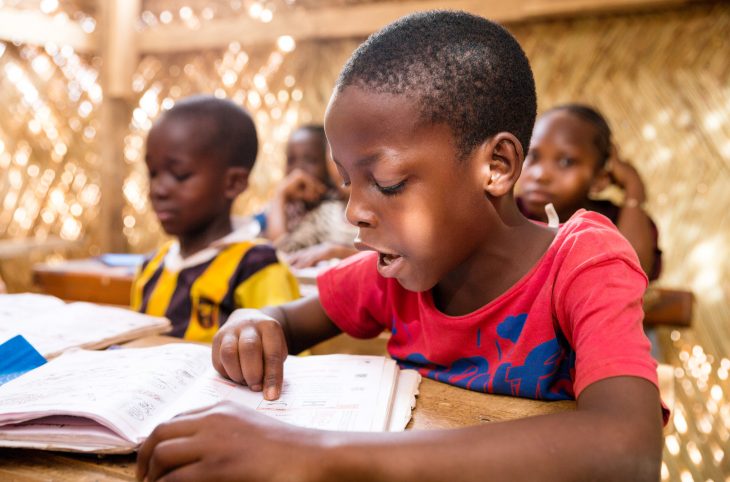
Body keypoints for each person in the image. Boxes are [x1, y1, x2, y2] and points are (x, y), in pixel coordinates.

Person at [137, 12, 665, 482]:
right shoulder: (395, 276)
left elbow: (627, 449)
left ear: (496, 166)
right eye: (348, 181)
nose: (355, 212)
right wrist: (251, 323)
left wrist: (319, 455)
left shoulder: (585, 263)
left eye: (387, 182)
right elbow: (287, 319)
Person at [130, 95, 299, 342]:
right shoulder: (151, 268)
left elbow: (285, 359)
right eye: (153, 173)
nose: (158, 189)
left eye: (179, 175)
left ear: (233, 183)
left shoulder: (256, 267)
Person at [516, 104, 662, 279]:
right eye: (533, 156)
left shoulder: (614, 222)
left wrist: (634, 191)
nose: (540, 175)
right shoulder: (501, 214)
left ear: (599, 179)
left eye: (566, 162)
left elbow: (630, 274)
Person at [260, 124, 357, 268]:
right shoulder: (325, 215)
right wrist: (280, 195)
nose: (298, 171)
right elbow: (281, 251)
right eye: (334, 154)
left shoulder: (390, 213)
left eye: (310, 160)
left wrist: (339, 252)